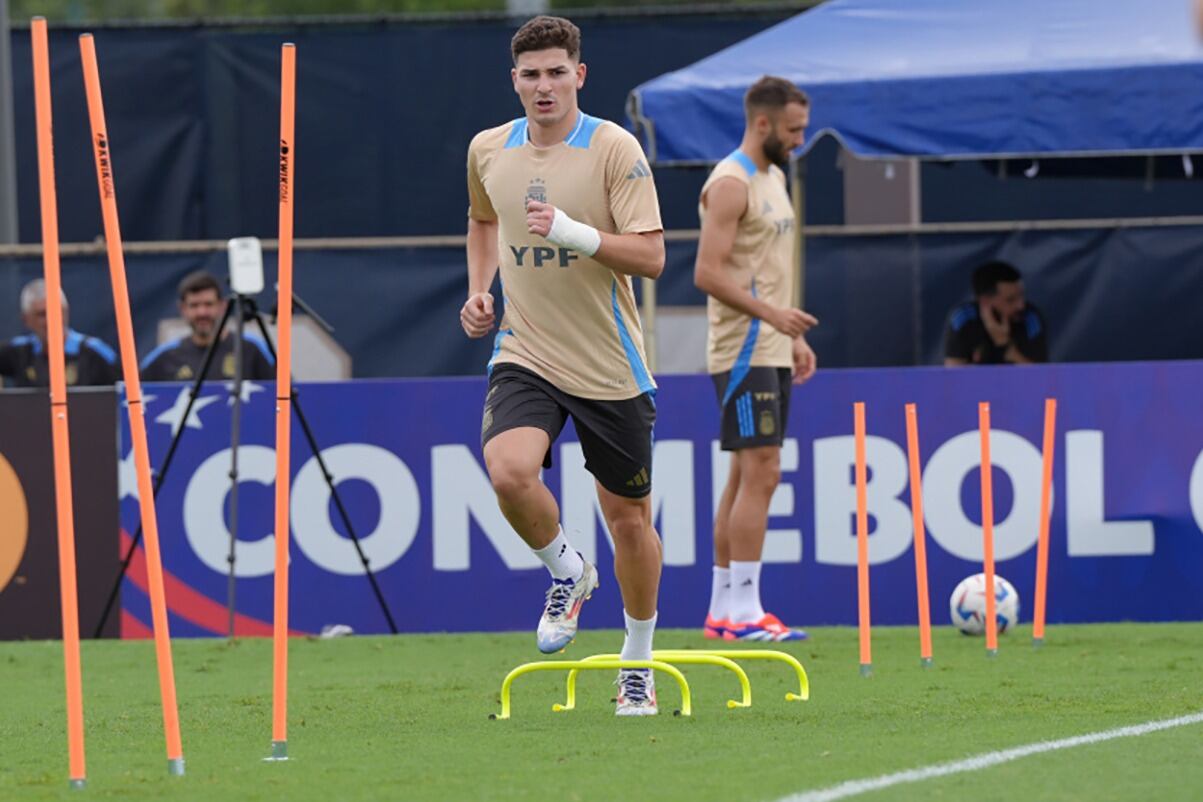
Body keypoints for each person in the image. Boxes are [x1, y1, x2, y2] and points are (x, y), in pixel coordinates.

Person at [460, 15, 666, 715]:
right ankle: (567, 573)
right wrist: (478, 290)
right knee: (508, 471)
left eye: (556, 72)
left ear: (579, 75)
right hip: (525, 349)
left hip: (608, 363)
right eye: (530, 74)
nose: (543, 85)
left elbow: (652, 256)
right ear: (512, 80)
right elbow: (483, 219)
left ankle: (636, 663)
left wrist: (575, 234)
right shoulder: (488, 148)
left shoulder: (613, 149)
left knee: (629, 522)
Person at [693, 76, 818, 643]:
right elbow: (707, 273)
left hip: (769, 343)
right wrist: (772, 318)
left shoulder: (773, 177)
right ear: (763, 123)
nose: (799, 140)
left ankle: (725, 609)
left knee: (746, 472)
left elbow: (767, 268)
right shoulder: (730, 182)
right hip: (741, 348)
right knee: (763, 471)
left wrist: (791, 334)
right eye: (793, 130)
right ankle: (745, 611)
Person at [141, 271, 274, 382]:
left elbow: (285, 397)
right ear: (182, 309)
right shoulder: (162, 357)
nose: (202, 312)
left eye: (208, 304)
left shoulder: (253, 349)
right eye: (194, 305)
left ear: (223, 306)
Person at [0, 278, 118, 388]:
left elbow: (125, 391)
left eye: (56, 311)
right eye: (42, 314)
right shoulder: (19, 351)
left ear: (66, 312)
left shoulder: (94, 351)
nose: (50, 320)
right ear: (26, 320)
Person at [943, 260, 1048, 366]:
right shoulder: (964, 319)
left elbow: (1040, 376)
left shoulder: (1030, 317)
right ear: (985, 302)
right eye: (1010, 300)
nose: (1021, 305)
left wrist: (1006, 346)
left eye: (1021, 295)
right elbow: (953, 375)